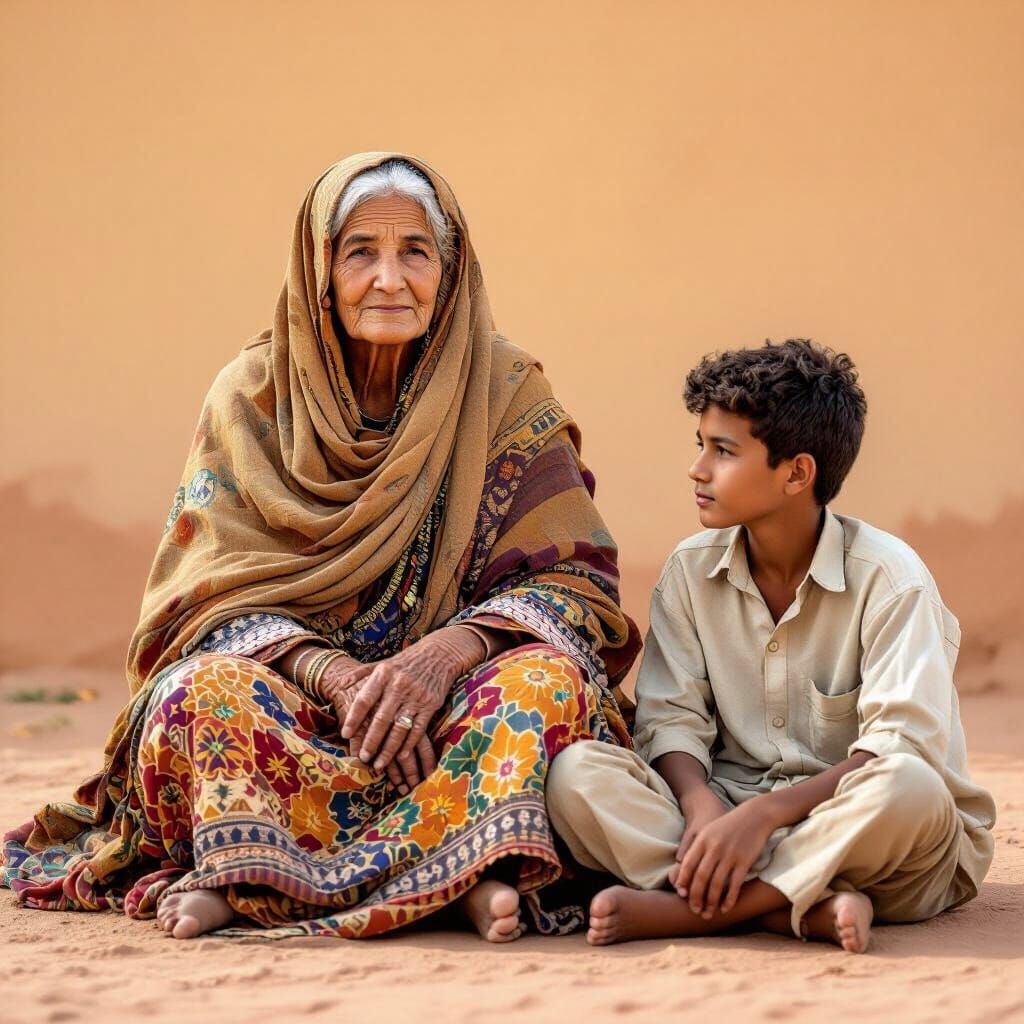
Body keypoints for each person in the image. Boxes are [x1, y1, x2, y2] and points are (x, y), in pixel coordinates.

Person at [2, 153, 638, 942]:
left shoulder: (507, 388)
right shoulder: (251, 393)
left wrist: (439, 659)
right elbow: (201, 597)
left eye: (416, 251)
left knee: (546, 682)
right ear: (319, 270)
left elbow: (575, 580)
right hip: (295, 698)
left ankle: (454, 869)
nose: (389, 278)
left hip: (450, 704)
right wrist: (336, 677)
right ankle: (280, 873)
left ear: (451, 269)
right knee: (195, 697)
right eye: (359, 251)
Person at [546, 339, 995, 952]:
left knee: (909, 789)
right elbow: (670, 720)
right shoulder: (688, 572)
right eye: (699, 445)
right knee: (576, 774)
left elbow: (898, 749)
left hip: (864, 824)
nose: (698, 469)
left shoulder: (891, 580)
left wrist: (764, 819)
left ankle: (692, 911)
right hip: (727, 815)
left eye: (723, 451)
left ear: (796, 472)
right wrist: (703, 805)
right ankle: (796, 907)